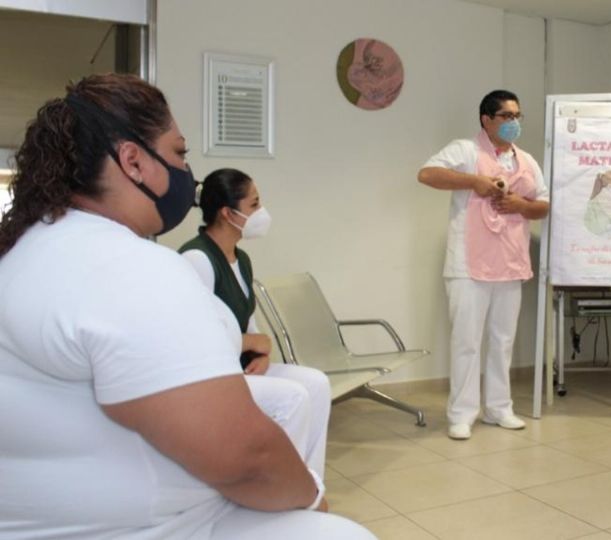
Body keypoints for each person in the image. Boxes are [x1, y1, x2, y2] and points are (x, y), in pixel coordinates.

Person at [0, 74, 373, 539]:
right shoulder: (127, 264)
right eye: (178, 153)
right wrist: (314, 497)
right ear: (134, 161)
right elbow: (246, 458)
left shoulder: (29, 250)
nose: (186, 174)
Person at [179, 168, 332, 485]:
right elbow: (200, 339)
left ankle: (309, 482)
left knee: (316, 383)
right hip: (213, 377)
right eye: (254, 205)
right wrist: (253, 343)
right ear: (227, 212)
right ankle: (276, 489)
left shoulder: (241, 258)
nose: (262, 213)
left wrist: (261, 354)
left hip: (242, 368)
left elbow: (250, 326)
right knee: (293, 398)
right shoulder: (197, 258)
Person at [418, 89, 550, 440]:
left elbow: (544, 204)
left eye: (518, 116)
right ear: (486, 119)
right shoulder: (465, 150)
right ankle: (461, 414)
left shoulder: (526, 161)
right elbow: (427, 174)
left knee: (502, 339)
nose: (514, 123)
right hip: (468, 265)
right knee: (467, 341)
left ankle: (499, 408)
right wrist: (473, 181)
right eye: (507, 116)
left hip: (510, 261)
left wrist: (522, 206)